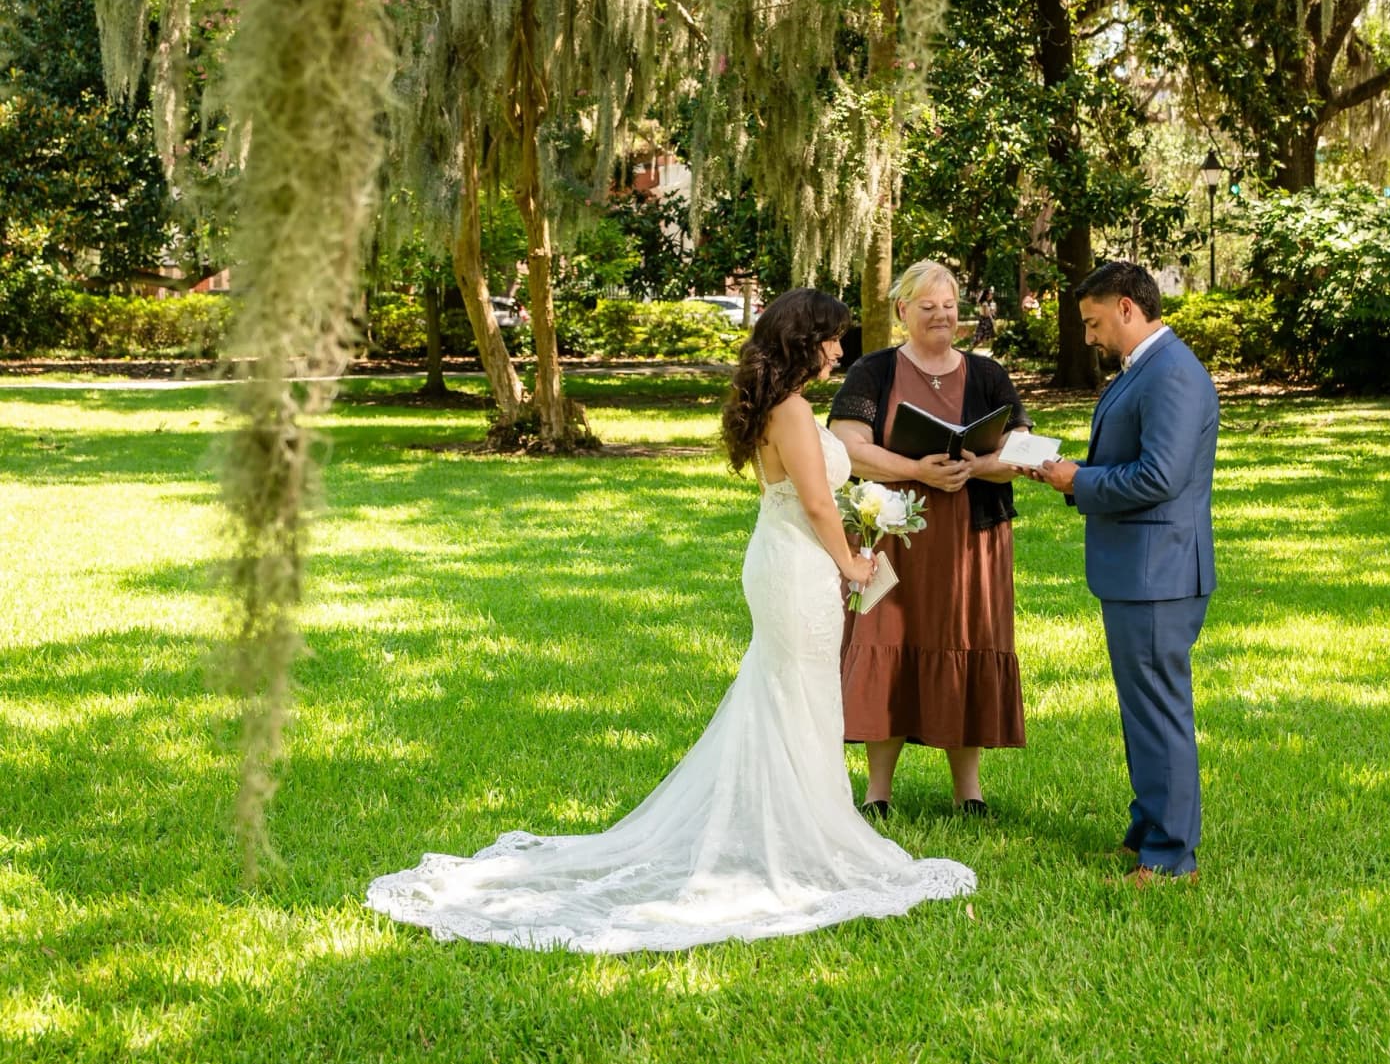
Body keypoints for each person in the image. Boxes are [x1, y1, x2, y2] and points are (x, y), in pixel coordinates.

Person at [367, 289, 974, 952]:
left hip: (786, 558)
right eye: (832, 338)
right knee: (800, 697)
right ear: (806, 341)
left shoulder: (782, 407)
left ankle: (796, 826)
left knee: (786, 697)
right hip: (798, 566)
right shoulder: (794, 410)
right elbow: (818, 503)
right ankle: (807, 840)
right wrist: (854, 565)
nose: (839, 349)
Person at [1031, 261, 1218, 885]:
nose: (1088, 337)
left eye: (1094, 322)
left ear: (1129, 309)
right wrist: (1071, 472)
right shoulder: (1146, 370)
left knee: (1160, 712)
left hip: (1159, 573)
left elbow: (1159, 478)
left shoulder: (1171, 374)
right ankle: (1147, 833)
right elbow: (1134, 460)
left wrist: (1077, 480)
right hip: (1140, 570)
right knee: (1142, 712)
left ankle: (1170, 858)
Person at [830, 260, 1029, 818]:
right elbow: (846, 445)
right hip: (892, 533)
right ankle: (877, 792)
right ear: (902, 311)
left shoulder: (988, 375)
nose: (942, 317)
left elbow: (1021, 450)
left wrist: (978, 464)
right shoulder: (874, 371)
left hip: (973, 539)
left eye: (949, 307)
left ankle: (969, 791)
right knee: (885, 640)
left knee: (963, 638)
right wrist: (918, 470)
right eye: (928, 307)